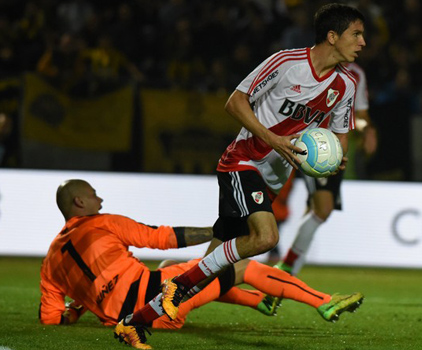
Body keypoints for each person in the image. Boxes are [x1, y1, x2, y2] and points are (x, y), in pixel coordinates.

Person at [115, 4, 366, 348]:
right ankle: (177, 283)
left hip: (272, 179)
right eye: (357, 33)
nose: (363, 42)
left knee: (211, 272)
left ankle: (135, 321)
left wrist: (337, 155)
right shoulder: (287, 63)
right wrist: (273, 139)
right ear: (332, 36)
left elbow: (340, 133)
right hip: (243, 162)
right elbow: (235, 102)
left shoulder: (346, 85)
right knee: (265, 238)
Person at [41, 180, 365, 349]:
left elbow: (51, 318)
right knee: (240, 266)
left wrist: (79, 306)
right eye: (95, 195)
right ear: (79, 202)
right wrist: (215, 232)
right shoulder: (102, 223)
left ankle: (259, 300)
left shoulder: (52, 261)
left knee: (176, 266)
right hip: (158, 298)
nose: (101, 201)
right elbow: (163, 237)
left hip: (135, 317)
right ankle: (323, 302)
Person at [275, 61, 377, 276]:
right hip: (314, 147)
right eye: (355, 35)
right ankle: (285, 272)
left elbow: (359, 116)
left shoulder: (356, 74)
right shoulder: (309, 66)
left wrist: (366, 129)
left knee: (318, 210)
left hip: (335, 149)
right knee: (322, 208)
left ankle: (285, 274)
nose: (361, 43)